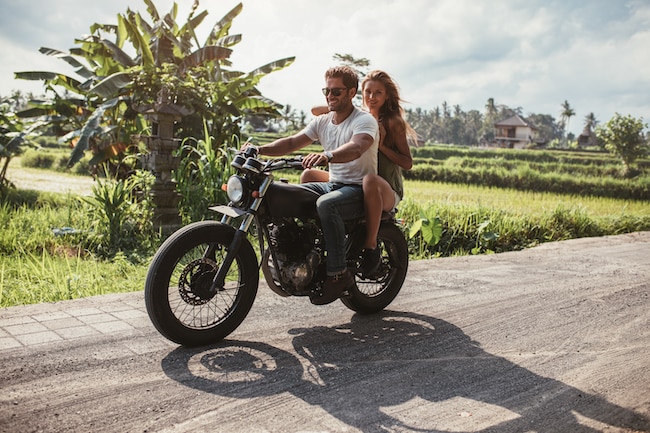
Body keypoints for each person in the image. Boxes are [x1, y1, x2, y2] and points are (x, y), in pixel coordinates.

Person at [249, 65, 379, 305]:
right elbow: (290, 142)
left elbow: (357, 147)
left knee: (326, 205)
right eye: (326, 91)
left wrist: (328, 155)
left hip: (357, 188)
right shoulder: (323, 121)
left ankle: (337, 274)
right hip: (334, 184)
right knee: (285, 194)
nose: (330, 96)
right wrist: (259, 150)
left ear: (351, 93)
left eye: (336, 91)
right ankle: (297, 250)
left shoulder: (364, 121)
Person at [304, 70, 415, 277]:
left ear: (387, 96)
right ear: (359, 94)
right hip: (352, 179)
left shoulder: (392, 122)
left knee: (369, 180)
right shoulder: (358, 117)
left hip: (384, 188)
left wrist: (381, 146)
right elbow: (314, 110)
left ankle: (371, 245)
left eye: (378, 93)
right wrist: (335, 104)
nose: (372, 97)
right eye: (368, 92)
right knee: (308, 175)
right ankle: (317, 238)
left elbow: (407, 163)